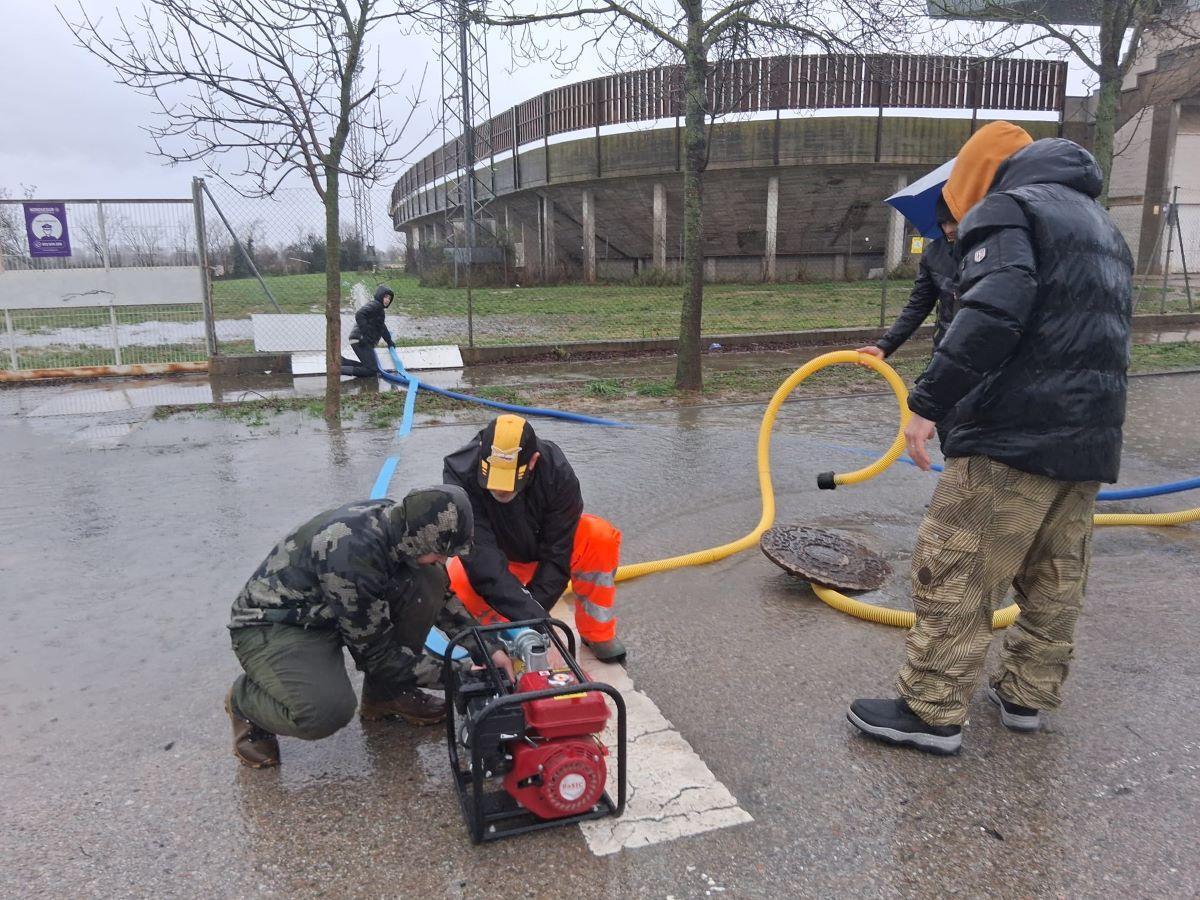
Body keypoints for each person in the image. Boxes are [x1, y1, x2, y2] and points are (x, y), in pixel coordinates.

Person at [847, 120, 1134, 754]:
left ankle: (931, 711)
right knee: (1056, 572)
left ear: (976, 175)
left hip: (1011, 430)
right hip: (1089, 436)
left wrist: (927, 403)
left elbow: (994, 312)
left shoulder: (1007, 209)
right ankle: (1027, 694)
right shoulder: (1102, 226)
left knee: (958, 562)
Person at [224, 485, 494, 769]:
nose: (444, 560)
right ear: (418, 538)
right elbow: (377, 657)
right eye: (440, 551)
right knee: (325, 712)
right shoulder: (353, 555)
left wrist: (488, 648)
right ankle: (245, 703)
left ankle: (387, 695)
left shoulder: (402, 528)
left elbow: (443, 600)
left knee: (429, 579)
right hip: (276, 624)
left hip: (330, 609)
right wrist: (461, 675)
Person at [442, 414, 627, 663]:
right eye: (494, 479)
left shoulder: (556, 472)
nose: (500, 489)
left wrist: (535, 613)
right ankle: (498, 639)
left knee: (599, 537)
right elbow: (480, 554)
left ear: (533, 461)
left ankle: (597, 633)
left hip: (544, 553)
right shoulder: (460, 473)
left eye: (510, 481)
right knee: (455, 580)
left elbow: (559, 552)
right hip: (500, 555)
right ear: (483, 454)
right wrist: (525, 617)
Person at [340, 283, 396, 378]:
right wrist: (365, 335)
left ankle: (342, 362)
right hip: (361, 339)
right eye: (385, 297)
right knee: (372, 370)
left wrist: (389, 341)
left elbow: (382, 327)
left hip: (360, 339)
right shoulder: (376, 305)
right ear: (380, 296)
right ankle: (338, 369)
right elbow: (360, 314)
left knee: (369, 367)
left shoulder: (379, 309)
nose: (387, 300)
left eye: (389, 298)